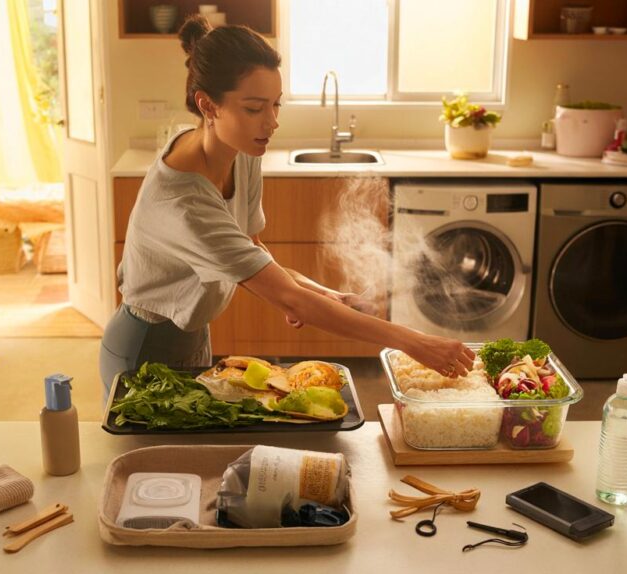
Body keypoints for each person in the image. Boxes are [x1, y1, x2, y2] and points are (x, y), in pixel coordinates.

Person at [99, 16, 474, 399]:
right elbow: (287, 297)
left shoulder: (240, 151)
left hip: (194, 335)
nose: (272, 122)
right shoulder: (184, 202)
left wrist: (325, 296)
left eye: (275, 105)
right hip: (143, 345)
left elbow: (253, 250)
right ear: (207, 105)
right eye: (254, 108)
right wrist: (414, 343)